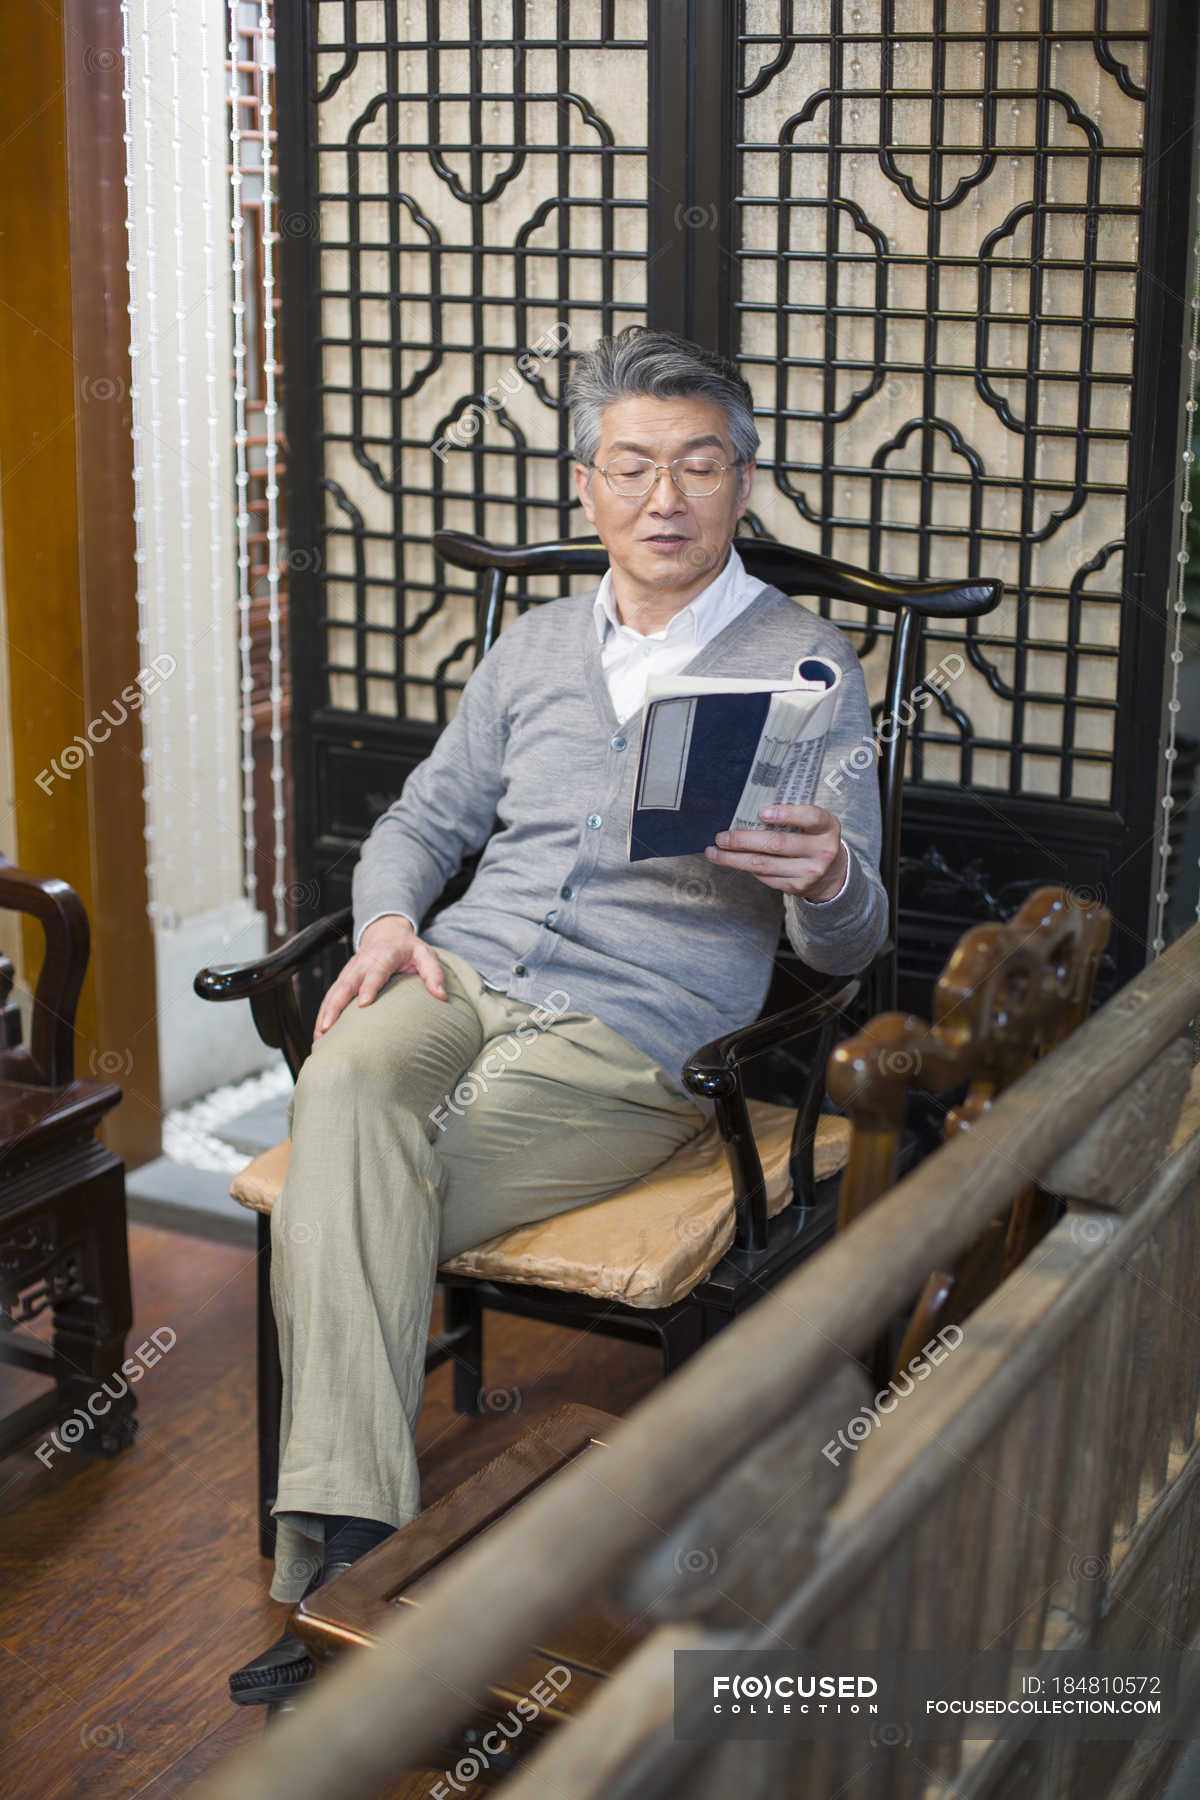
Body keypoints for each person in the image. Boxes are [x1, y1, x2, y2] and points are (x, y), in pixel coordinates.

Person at [229, 326, 888, 1705]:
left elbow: (856, 939)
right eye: (635, 466)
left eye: (700, 467)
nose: (667, 497)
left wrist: (828, 873)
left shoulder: (807, 662)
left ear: (745, 485)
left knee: (346, 1190)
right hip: (458, 975)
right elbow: (424, 816)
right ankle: (373, 1572)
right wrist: (392, 920)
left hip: (635, 1031)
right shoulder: (532, 649)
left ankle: (334, 1576)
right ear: (586, 485)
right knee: (350, 1078)